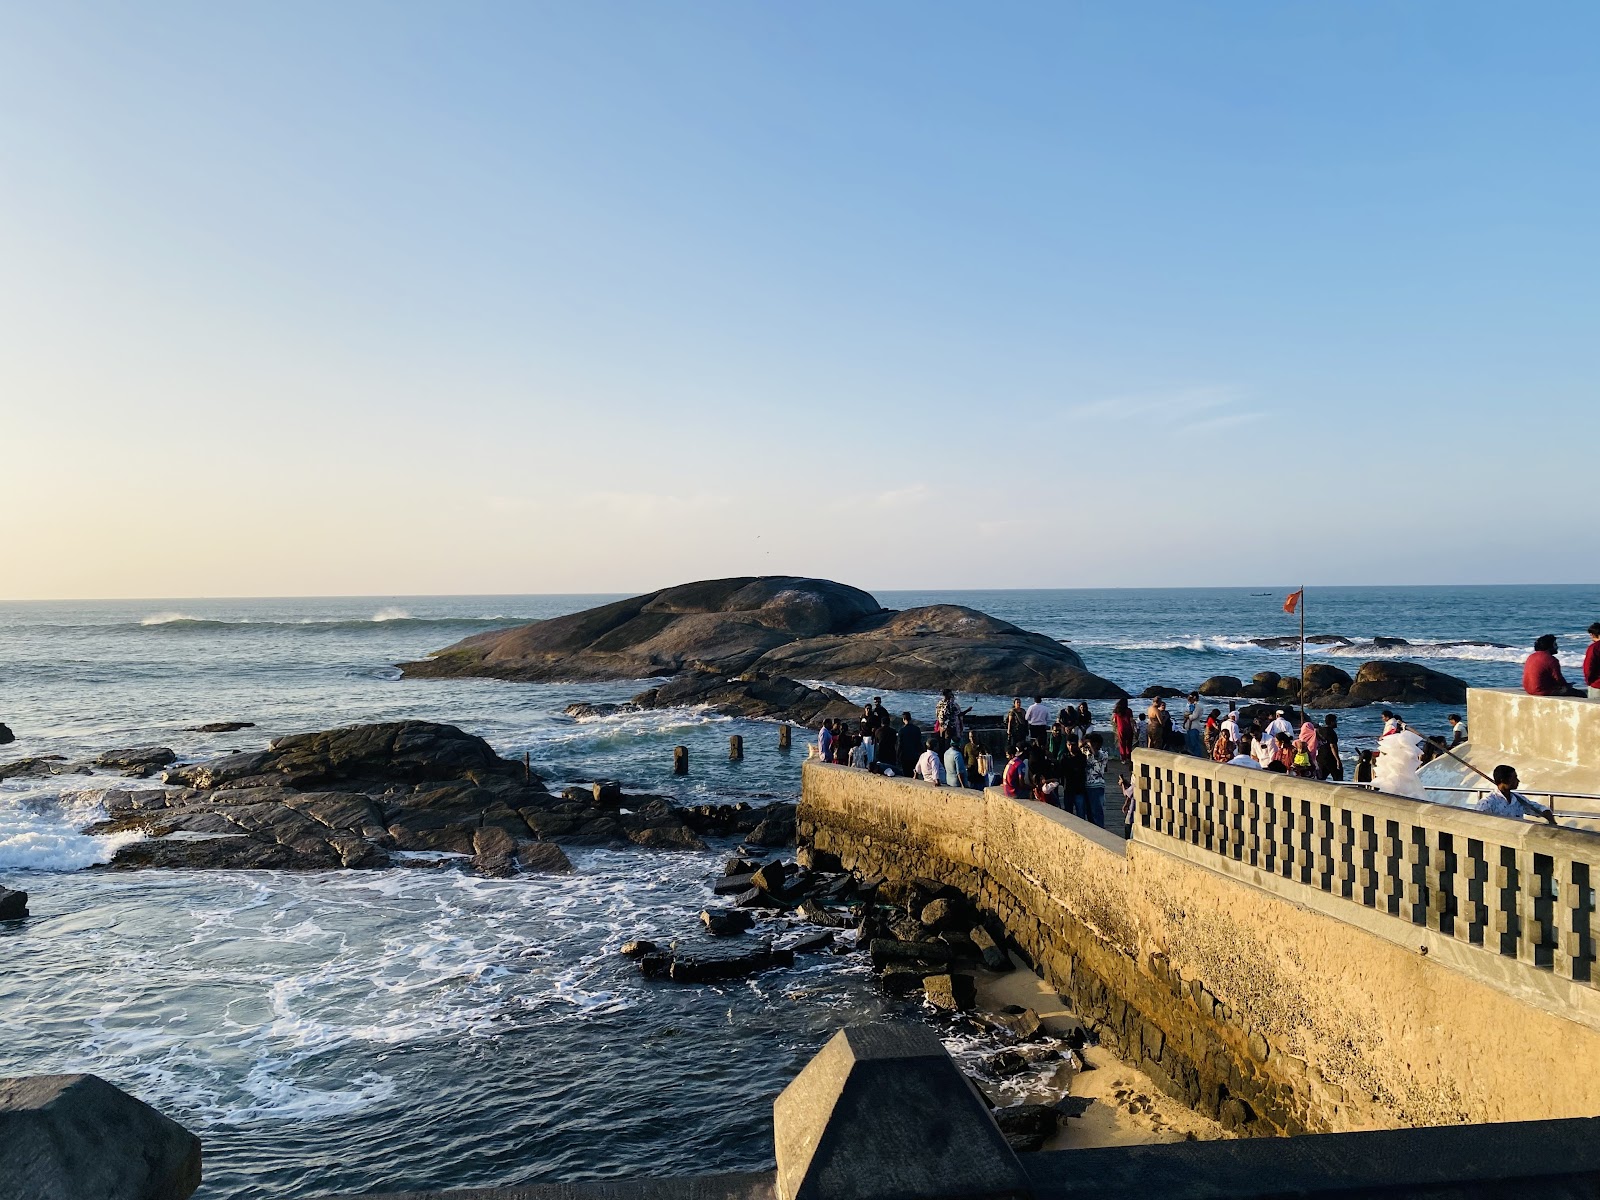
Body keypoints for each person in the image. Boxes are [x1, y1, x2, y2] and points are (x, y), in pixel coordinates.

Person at [1479, 765, 1557, 824]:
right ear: (1504, 780)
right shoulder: (1487, 803)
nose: (1518, 781)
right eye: (1514, 778)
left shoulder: (1518, 799)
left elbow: (1538, 808)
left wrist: (1552, 821)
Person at [1082, 733, 1108, 827]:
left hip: (1097, 785)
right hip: (1086, 785)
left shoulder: (1103, 754)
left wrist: (1090, 744)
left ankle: (1100, 828)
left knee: (1097, 811)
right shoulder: (1086, 753)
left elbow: (1096, 755)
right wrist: (1083, 743)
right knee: (1089, 812)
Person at [1316, 713, 1343, 781]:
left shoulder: (1319, 730)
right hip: (1330, 758)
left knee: (1321, 778)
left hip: (1320, 757)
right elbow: (1333, 746)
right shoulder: (1331, 732)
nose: (1336, 723)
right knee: (1338, 777)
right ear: (1331, 722)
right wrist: (1338, 760)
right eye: (1335, 721)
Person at [897, 712, 924, 776]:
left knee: (906, 773)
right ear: (910, 718)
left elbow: (900, 744)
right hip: (915, 754)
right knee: (915, 772)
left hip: (905, 755)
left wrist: (898, 755)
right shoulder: (917, 729)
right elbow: (919, 742)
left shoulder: (902, 730)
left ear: (903, 719)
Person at [1111, 698, 1135, 764]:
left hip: (1121, 729)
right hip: (1129, 728)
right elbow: (1131, 720)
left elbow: (1114, 721)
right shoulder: (1129, 710)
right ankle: (1128, 757)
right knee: (1129, 744)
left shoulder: (1117, 711)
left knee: (1122, 744)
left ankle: (1123, 759)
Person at [1585, 624, 1600, 699]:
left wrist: (1589, 681)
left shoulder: (1594, 647)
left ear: (1593, 634)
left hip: (1597, 684)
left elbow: (1588, 667)